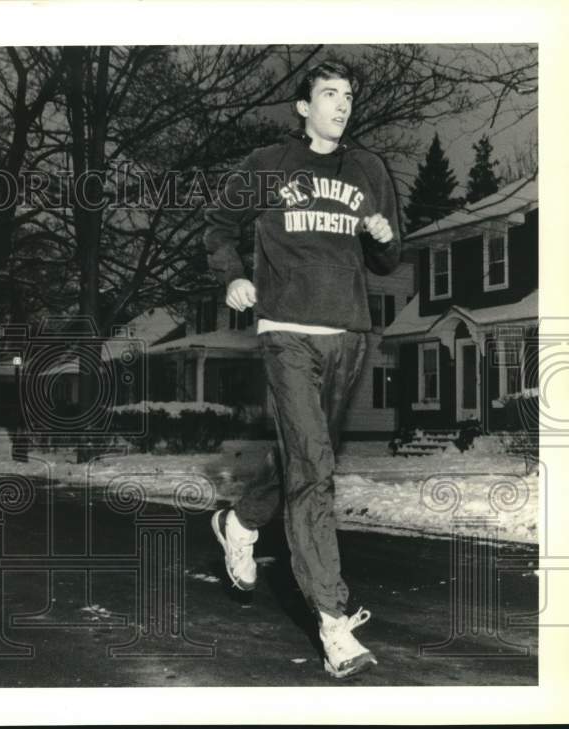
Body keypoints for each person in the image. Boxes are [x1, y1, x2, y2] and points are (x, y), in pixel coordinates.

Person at [203, 60, 401, 679]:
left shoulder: (368, 168)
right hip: (287, 331)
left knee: (303, 457)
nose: (341, 106)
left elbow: (391, 258)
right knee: (315, 468)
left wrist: (381, 233)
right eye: (329, 95)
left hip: (349, 334)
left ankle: (239, 521)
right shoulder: (265, 165)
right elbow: (217, 226)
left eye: (348, 96)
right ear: (302, 105)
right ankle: (333, 621)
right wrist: (233, 275)